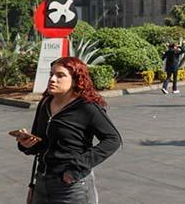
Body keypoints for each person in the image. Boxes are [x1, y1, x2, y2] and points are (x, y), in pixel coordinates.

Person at [15, 57, 121, 204]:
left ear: (76, 80)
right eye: (51, 74)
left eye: (60, 75)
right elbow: (41, 141)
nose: (52, 79)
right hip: (42, 182)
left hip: (72, 187)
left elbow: (113, 140)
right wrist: (27, 144)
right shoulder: (45, 103)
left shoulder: (87, 107)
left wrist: (77, 168)